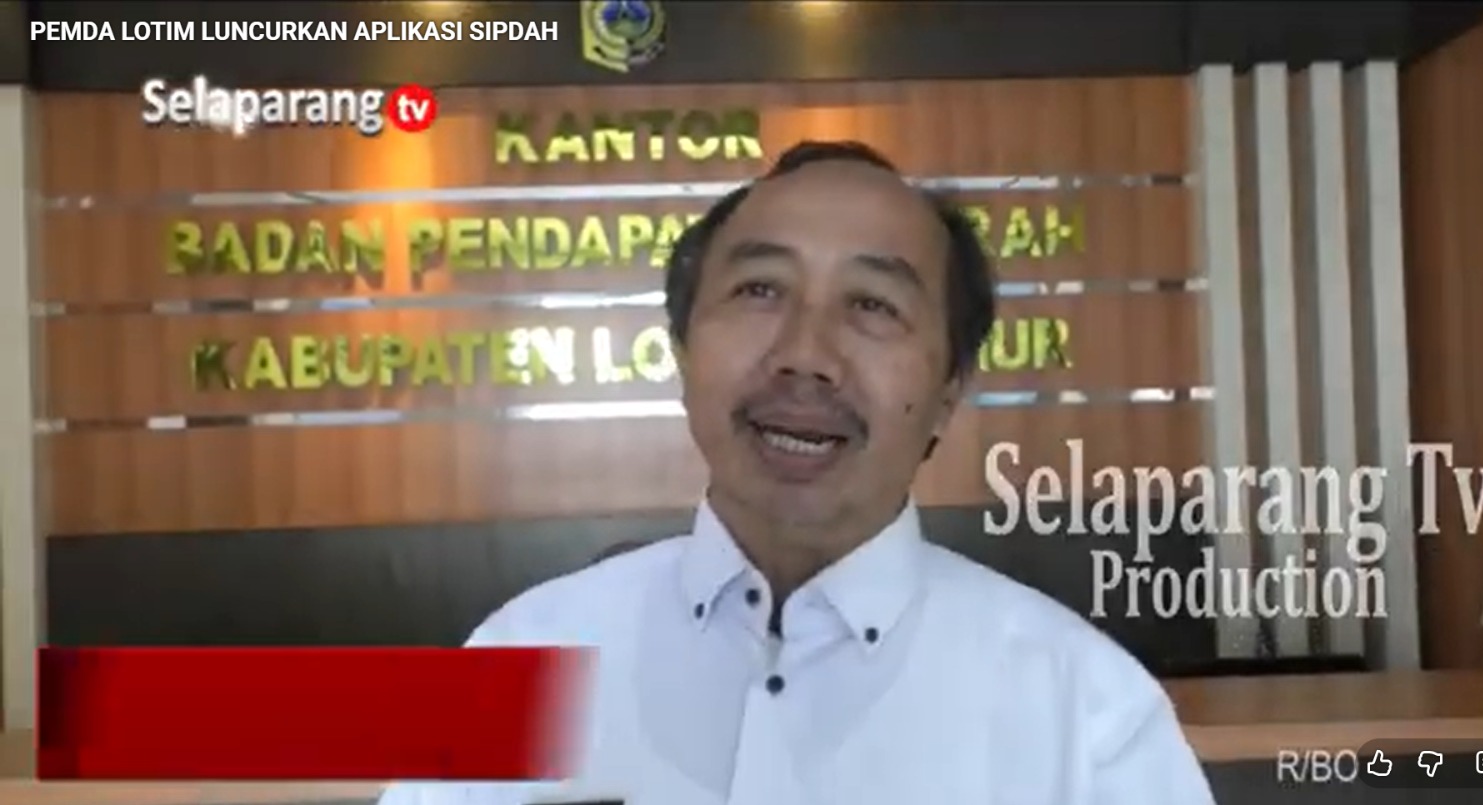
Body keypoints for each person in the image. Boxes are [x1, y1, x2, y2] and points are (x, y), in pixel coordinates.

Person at [378, 141, 1216, 805]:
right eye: (760, 290)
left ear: (949, 388)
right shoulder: (518, 659)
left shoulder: (1088, 713)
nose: (805, 354)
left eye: (872, 304)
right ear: (683, 352)